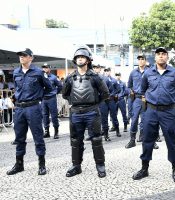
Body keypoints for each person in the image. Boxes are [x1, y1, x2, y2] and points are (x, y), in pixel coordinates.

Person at [132, 47, 175, 183]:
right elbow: (143, 90)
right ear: (155, 58)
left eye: (163, 54)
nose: (161, 56)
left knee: (171, 140)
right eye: (158, 54)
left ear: (167, 57)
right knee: (147, 139)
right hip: (151, 111)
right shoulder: (148, 73)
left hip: (168, 111)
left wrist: (170, 99)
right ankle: (144, 168)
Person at [62, 46, 109, 178]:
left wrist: (94, 103)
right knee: (76, 140)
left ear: (88, 60)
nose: (80, 59)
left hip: (92, 112)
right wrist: (76, 102)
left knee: (96, 139)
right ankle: (76, 166)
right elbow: (65, 94)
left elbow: (105, 93)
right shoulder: (70, 78)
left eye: (82, 57)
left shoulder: (95, 77)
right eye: (78, 57)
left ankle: (100, 165)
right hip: (76, 112)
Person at [7, 48, 52, 176]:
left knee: (38, 136)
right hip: (20, 108)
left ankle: (41, 164)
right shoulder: (16, 72)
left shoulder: (38, 72)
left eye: (24, 55)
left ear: (31, 58)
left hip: (33, 108)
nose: (21, 57)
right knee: (19, 137)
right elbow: (18, 88)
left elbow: (50, 88)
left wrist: (40, 98)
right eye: (20, 55)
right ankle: (19, 164)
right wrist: (15, 96)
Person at [125, 54, 159, 149]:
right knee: (134, 119)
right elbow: (129, 86)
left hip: (148, 99)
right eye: (139, 59)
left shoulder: (150, 72)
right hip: (137, 99)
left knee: (147, 121)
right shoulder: (133, 73)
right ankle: (132, 140)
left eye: (142, 59)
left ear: (145, 60)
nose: (140, 61)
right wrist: (131, 92)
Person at [41, 63, 63, 139]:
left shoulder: (53, 77)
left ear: (49, 69)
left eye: (46, 67)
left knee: (54, 115)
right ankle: (46, 131)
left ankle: (56, 132)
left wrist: (55, 92)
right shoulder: (40, 77)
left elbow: (60, 86)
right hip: (44, 98)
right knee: (44, 115)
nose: (45, 69)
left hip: (51, 98)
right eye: (43, 67)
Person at [103, 67, 121, 138]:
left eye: (108, 71)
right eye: (105, 71)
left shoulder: (114, 80)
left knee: (114, 116)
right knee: (104, 118)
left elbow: (118, 89)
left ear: (110, 71)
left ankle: (117, 131)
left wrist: (113, 94)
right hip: (103, 101)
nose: (107, 72)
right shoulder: (101, 79)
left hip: (111, 100)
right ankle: (106, 135)